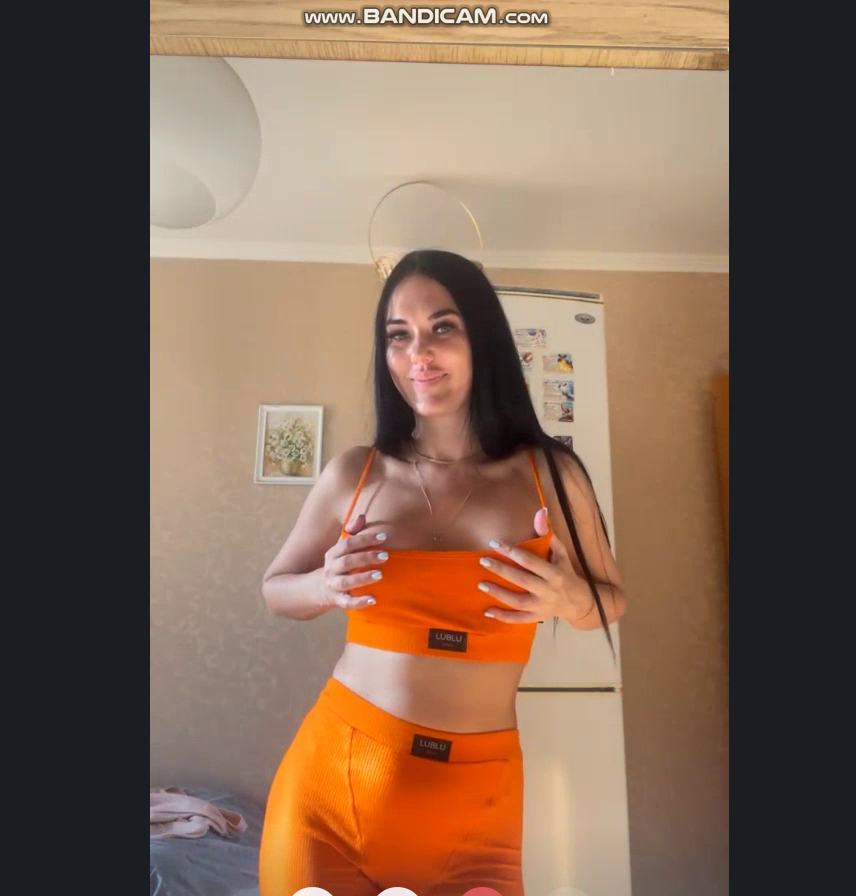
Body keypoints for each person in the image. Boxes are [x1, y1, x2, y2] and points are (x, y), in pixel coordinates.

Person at [258, 250, 626, 895]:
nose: (418, 354)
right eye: (398, 336)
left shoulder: (549, 474)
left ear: (483, 338)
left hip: (476, 818)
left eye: (442, 327)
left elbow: (610, 600)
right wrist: (323, 585)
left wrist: (570, 599)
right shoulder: (357, 473)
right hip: (329, 798)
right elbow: (275, 589)